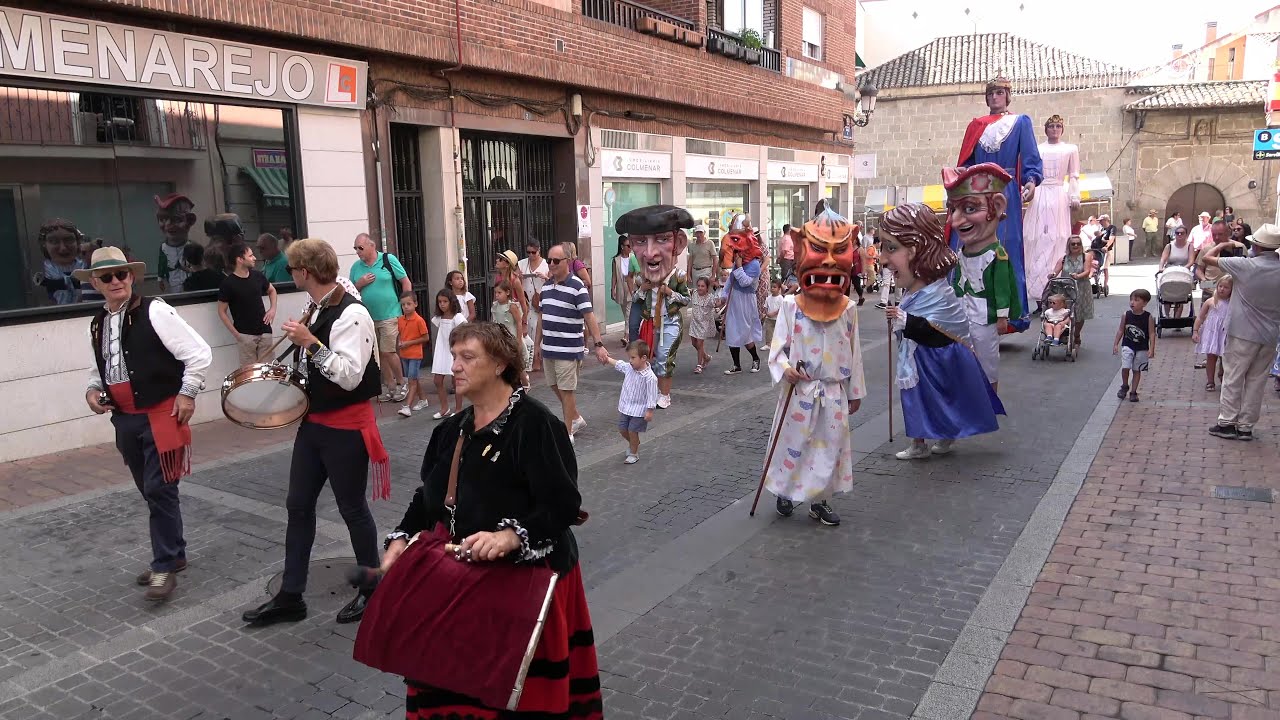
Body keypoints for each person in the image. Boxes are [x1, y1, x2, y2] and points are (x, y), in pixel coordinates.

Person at [376, 323, 602, 719]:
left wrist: (511, 536)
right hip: (458, 585)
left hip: (521, 588)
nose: (455, 366)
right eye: (454, 356)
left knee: (515, 697)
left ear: (499, 364)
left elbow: (563, 506)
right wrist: (401, 536)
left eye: (468, 357)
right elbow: (428, 499)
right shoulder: (450, 430)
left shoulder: (536, 426)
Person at [241, 238, 386, 627]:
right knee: (298, 505)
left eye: (291, 269)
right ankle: (291, 596)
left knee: (352, 509)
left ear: (304, 272)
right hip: (315, 424)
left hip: (345, 428)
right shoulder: (318, 306)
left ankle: (372, 589)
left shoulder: (352, 313)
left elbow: (350, 376)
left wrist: (312, 343)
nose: (290, 274)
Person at [78, 247, 212, 601]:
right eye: (106, 277)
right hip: (125, 420)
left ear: (132, 276)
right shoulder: (98, 322)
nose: (116, 281)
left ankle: (164, 565)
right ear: (95, 283)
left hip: (162, 415)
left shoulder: (155, 310)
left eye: (121, 274)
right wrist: (92, 391)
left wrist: (187, 393)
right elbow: (99, 368)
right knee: (151, 490)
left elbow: (198, 353)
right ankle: (174, 553)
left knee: (158, 489)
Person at [879, 203, 1004, 461]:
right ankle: (918, 442)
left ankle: (946, 434)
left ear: (915, 249)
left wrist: (905, 320)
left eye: (891, 248)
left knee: (940, 401)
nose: (882, 259)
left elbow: (939, 333)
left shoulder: (940, 296)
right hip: (915, 365)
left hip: (937, 367)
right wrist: (900, 320)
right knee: (915, 402)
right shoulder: (913, 294)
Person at [765, 206, 865, 525]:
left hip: (832, 393)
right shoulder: (790, 307)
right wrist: (785, 368)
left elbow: (855, 351)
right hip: (800, 391)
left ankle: (820, 500)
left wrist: (855, 391)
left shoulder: (848, 309)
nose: (829, 262)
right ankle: (785, 491)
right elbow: (777, 349)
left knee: (828, 449)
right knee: (792, 444)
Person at [952, 76, 1043, 333]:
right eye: (991, 93)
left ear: (1008, 96)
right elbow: (967, 162)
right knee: (970, 244)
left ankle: (1009, 313)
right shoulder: (976, 125)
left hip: (1006, 190)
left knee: (1006, 244)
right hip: (977, 190)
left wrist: (1031, 180)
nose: (995, 97)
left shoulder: (1021, 122)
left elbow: (1031, 157)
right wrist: (960, 173)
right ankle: (966, 305)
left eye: (1000, 92)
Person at [1200, 225, 1280, 441]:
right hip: (1270, 334)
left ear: (1257, 246)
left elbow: (1207, 258)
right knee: (1257, 381)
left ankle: (1227, 422)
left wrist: (1224, 244)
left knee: (1233, 377)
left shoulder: (1245, 265)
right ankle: (1246, 426)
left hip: (1242, 332)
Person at [946, 163, 1022, 390]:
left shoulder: (997, 255)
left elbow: (1002, 288)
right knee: (962, 360)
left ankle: (990, 399)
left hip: (984, 316)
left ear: (996, 207)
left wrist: (1002, 316)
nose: (955, 221)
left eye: (969, 208)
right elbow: (958, 282)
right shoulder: (962, 253)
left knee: (986, 361)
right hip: (963, 313)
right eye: (952, 210)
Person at [618, 205, 691, 410]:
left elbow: (687, 299)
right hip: (649, 323)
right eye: (640, 241)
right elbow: (636, 299)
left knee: (664, 359)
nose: (650, 253)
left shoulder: (678, 277)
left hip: (670, 321)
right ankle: (651, 391)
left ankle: (664, 395)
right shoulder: (642, 278)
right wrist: (642, 289)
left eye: (662, 239)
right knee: (648, 358)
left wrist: (671, 293)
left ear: (679, 243)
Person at [539, 243, 609, 442]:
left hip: (569, 349)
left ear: (567, 262)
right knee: (554, 385)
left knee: (566, 390)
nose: (551, 264)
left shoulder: (577, 286)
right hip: (548, 348)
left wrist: (598, 344)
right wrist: (537, 345)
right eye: (549, 260)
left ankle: (568, 431)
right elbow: (542, 317)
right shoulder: (546, 286)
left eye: (556, 260)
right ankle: (576, 417)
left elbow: (589, 317)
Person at [1022, 114, 1079, 309]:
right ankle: (1036, 293)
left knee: (1059, 236)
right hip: (1039, 193)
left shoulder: (1070, 149)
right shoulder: (1038, 149)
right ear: (1046, 129)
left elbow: (1074, 175)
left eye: (1058, 126)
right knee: (1034, 237)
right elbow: (1030, 172)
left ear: (1062, 129)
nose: (1054, 129)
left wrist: (1074, 195)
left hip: (1058, 194)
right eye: (1051, 126)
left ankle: (1057, 291)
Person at [351, 233, 412, 402]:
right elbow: (351, 291)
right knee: (379, 354)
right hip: (368, 318)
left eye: (360, 248)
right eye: (355, 248)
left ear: (372, 245)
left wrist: (406, 305)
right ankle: (390, 387)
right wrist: (360, 283)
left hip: (390, 314)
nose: (357, 251)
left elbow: (405, 281)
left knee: (388, 351)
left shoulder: (388, 260)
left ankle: (402, 383)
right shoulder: (356, 267)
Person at [717, 213, 764, 374]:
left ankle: (755, 359)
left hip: (746, 300)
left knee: (745, 332)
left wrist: (738, 266)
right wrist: (723, 296)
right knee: (732, 331)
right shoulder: (739, 261)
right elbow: (731, 280)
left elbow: (745, 282)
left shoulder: (755, 265)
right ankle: (736, 365)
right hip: (734, 299)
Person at [217, 242, 278, 365]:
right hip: (245, 335)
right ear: (240, 259)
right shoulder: (228, 284)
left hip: (265, 331)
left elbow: (272, 290)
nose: (254, 258)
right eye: (250, 256)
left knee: (268, 370)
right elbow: (221, 311)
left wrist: (272, 309)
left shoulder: (258, 276)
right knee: (250, 372)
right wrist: (237, 335)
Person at [601, 339, 658, 464]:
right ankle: (634, 443)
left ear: (643, 358)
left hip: (639, 411)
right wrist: (607, 359)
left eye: (633, 358)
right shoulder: (629, 368)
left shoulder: (650, 377)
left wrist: (650, 411)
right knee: (622, 429)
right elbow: (619, 364)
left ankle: (634, 453)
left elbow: (652, 395)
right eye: (629, 358)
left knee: (632, 431)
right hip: (626, 407)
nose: (630, 361)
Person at [1051, 237, 1095, 350]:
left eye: (1078, 243)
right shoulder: (1063, 258)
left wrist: (1078, 276)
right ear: (1069, 246)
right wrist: (1052, 275)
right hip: (1065, 288)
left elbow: (1087, 271)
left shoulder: (1086, 256)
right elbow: (1055, 271)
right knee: (1065, 312)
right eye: (1073, 244)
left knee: (1079, 314)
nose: (1076, 246)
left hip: (1082, 288)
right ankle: (1065, 333)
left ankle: (1076, 334)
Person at [1113, 289, 1156, 403]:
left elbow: (1152, 333)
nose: (1132, 302)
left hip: (1142, 347)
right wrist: (1116, 343)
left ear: (1144, 303)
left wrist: (1151, 348)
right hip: (1128, 345)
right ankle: (1124, 385)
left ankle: (1133, 391)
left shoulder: (1148, 317)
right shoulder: (1126, 315)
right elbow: (1121, 330)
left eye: (1136, 300)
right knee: (1125, 367)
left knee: (1137, 369)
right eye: (1131, 299)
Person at [430, 290, 466, 419]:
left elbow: (464, 332)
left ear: (451, 302)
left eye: (445, 301)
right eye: (440, 302)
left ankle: (458, 409)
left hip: (453, 351)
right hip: (441, 350)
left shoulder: (457, 317)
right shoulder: (439, 318)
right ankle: (444, 408)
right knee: (437, 380)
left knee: (456, 381)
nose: (442, 304)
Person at [1192, 275, 1232, 391]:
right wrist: (1195, 331)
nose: (1222, 289)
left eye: (1226, 287)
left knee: (1225, 357)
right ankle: (1210, 381)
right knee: (1211, 357)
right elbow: (1200, 317)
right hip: (1212, 333)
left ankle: (1222, 375)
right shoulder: (1210, 301)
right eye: (1220, 286)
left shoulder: (1232, 303)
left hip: (1225, 334)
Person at [33, 218, 86, 304]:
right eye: (54, 241)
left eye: (69, 240)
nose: (63, 248)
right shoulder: (39, 275)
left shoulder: (89, 270)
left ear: (77, 242)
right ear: (44, 244)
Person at [396, 292, 430, 417]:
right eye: (403, 304)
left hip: (415, 355)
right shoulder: (400, 320)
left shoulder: (419, 320)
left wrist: (409, 343)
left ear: (415, 304)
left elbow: (426, 337)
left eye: (408, 304)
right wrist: (400, 343)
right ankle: (423, 400)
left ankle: (407, 406)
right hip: (404, 354)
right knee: (414, 379)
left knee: (412, 381)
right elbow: (400, 334)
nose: (406, 307)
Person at [517, 240, 550, 371]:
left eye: (533, 252)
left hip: (540, 301)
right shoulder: (522, 263)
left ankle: (537, 359)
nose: (531, 255)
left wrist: (544, 277)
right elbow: (516, 280)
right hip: (526, 300)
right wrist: (520, 277)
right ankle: (530, 359)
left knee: (537, 329)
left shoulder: (546, 265)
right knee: (528, 331)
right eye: (528, 252)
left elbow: (553, 282)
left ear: (539, 250)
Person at [154, 194, 196, 293]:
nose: (168, 224)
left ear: (190, 221)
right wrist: (160, 278)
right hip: (172, 282)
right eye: (163, 219)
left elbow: (198, 266)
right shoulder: (163, 247)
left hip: (190, 284)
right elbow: (162, 263)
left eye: (176, 219)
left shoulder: (191, 246)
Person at [491, 281, 530, 383]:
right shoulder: (495, 306)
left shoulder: (511, 306)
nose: (497, 295)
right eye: (496, 293)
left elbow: (518, 322)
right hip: (500, 337)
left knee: (517, 363)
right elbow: (494, 320)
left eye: (499, 293)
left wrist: (519, 340)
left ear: (507, 292)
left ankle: (525, 382)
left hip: (511, 336)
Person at [688, 276, 717, 373]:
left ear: (707, 287)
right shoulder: (694, 293)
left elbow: (717, 303)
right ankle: (706, 357)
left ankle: (699, 365)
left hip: (704, 323)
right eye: (699, 285)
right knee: (694, 343)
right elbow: (686, 291)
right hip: (694, 322)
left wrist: (722, 301)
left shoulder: (710, 298)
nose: (700, 288)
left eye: (702, 286)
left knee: (700, 344)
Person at [610, 235, 634, 347]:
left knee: (629, 313)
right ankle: (631, 333)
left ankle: (626, 336)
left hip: (631, 286)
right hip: (621, 286)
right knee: (626, 313)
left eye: (631, 245)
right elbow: (614, 276)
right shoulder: (616, 260)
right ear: (622, 246)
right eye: (628, 246)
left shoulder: (633, 257)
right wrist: (612, 289)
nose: (630, 248)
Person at [494, 249, 528, 320]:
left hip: (513, 314)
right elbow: (495, 297)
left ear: (507, 264)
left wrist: (524, 319)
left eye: (500, 259)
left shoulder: (515, 281)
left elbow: (522, 301)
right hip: (500, 311)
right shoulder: (497, 277)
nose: (497, 260)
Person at [1092, 215, 1117, 290]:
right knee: (1096, 266)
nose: (1099, 222)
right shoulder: (1101, 229)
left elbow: (1111, 239)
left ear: (1105, 220)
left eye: (1101, 221)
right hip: (1098, 250)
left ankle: (1105, 285)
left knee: (1105, 267)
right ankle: (1096, 282)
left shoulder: (1112, 228)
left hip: (1106, 251)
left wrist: (1106, 246)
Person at [763, 279, 783, 345]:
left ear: (779, 289)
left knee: (778, 331)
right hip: (769, 318)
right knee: (768, 331)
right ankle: (768, 344)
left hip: (777, 318)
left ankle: (778, 344)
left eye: (774, 287)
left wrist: (774, 313)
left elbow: (781, 308)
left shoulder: (780, 298)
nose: (772, 288)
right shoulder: (768, 298)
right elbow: (765, 307)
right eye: (771, 287)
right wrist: (767, 313)